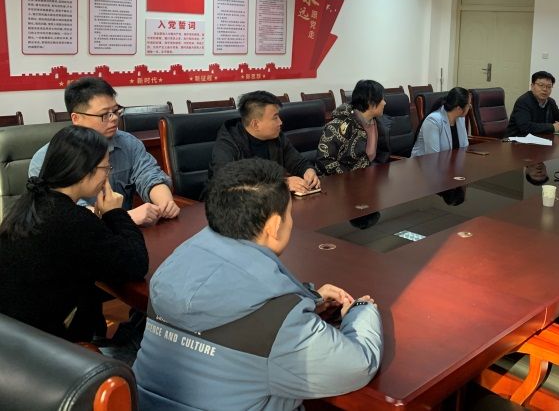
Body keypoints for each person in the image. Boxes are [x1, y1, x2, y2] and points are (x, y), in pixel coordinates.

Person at [133, 158, 382, 410]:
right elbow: (358, 365)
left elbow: (224, 296)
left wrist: (307, 299)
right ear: (274, 226)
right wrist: (361, 311)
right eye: (289, 215)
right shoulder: (279, 324)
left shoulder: (169, 269)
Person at [0, 126, 147, 341]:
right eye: (106, 168)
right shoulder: (72, 220)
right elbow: (136, 264)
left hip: (15, 336)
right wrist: (115, 213)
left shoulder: (30, 203)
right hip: (51, 346)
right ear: (85, 171)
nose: (108, 175)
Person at [29, 77, 177, 226]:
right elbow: (65, 211)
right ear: (76, 118)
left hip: (125, 232)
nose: (114, 118)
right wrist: (125, 217)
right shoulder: (46, 158)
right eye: (104, 114)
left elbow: (149, 175)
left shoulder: (128, 143)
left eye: (116, 111)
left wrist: (165, 203)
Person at [209, 90, 320, 193]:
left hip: (271, 201)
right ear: (255, 124)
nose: (280, 122)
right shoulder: (228, 143)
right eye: (275, 118)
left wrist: (308, 171)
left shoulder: (276, 137)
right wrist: (282, 183)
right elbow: (227, 182)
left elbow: (298, 162)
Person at [317, 79, 391, 175]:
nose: (384, 103)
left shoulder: (380, 123)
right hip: (342, 180)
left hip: (369, 177)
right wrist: (351, 178)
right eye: (382, 99)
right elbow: (324, 161)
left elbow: (382, 155)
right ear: (370, 102)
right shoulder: (339, 126)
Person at [506, 71, 559, 137]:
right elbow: (525, 127)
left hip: (539, 139)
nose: (545, 89)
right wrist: (553, 127)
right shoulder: (523, 101)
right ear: (532, 86)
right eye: (541, 85)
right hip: (516, 140)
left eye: (549, 86)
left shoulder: (551, 102)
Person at [411, 87, 470, 156]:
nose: (470, 107)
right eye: (468, 105)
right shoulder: (433, 121)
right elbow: (433, 156)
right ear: (458, 109)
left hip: (448, 161)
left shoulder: (460, 119)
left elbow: (464, 147)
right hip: (423, 162)